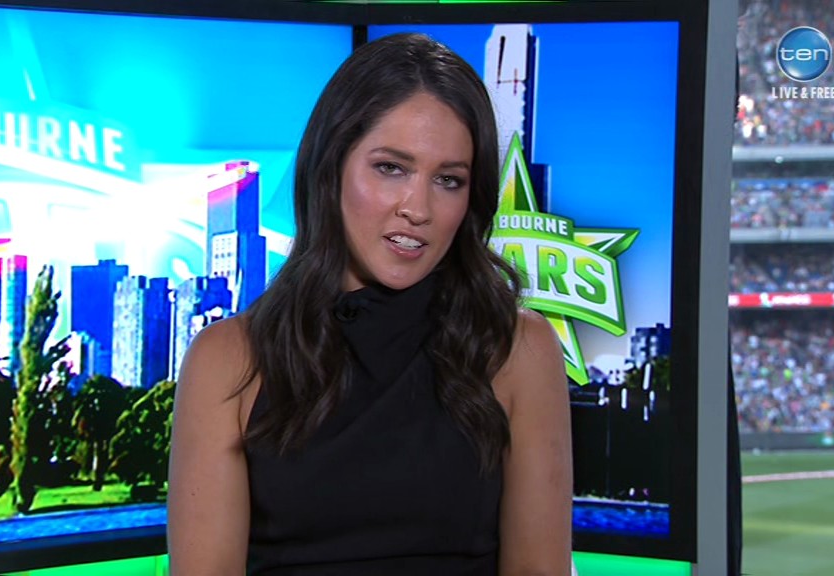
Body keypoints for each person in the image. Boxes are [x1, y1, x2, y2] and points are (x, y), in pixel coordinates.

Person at [167, 32, 573, 576]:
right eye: (391, 168)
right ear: (330, 166)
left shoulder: (518, 349)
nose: (418, 208)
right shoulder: (229, 359)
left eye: (448, 180)